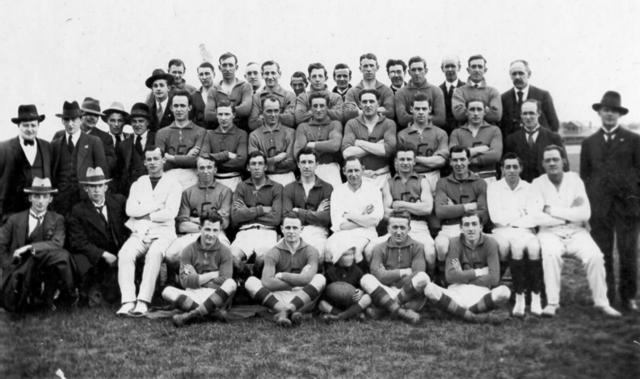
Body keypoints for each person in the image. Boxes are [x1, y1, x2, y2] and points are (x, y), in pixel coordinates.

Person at [529, 145, 621, 317]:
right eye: (548, 160)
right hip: (549, 232)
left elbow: (585, 213)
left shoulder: (575, 180)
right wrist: (568, 215)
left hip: (577, 231)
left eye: (555, 159)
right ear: (543, 164)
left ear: (563, 161)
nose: (552, 163)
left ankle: (602, 302)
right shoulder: (537, 183)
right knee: (550, 255)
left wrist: (550, 209)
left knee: (595, 256)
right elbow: (535, 217)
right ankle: (552, 302)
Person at [581, 91, 640, 311]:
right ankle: (607, 297)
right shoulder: (589, 143)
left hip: (627, 208)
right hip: (600, 209)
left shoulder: (634, 140)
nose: (610, 115)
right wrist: (589, 208)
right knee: (602, 253)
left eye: (614, 111)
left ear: (619, 114)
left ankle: (628, 297)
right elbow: (585, 178)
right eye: (606, 110)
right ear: (599, 112)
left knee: (628, 253)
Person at [116, 146, 181, 316]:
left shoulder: (173, 184)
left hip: (164, 233)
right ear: (145, 162)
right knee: (125, 253)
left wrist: (146, 214)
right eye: (149, 159)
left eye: (156, 159)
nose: (152, 163)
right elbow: (130, 210)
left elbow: (170, 213)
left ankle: (143, 300)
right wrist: (156, 207)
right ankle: (128, 300)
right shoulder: (139, 183)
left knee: (154, 255)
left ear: (163, 161)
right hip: (140, 231)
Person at [0, 178, 77, 311]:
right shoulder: (14, 219)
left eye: (45, 197)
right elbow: (1, 243)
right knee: (15, 306)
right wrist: (8, 264)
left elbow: (57, 243)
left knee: (63, 256)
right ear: (30, 198)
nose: (41, 201)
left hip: (45, 266)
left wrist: (30, 247)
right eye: (37, 196)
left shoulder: (57, 219)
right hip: (19, 266)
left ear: (50, 199)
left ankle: (66, 296)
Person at [424, 212, 511, 322]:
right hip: (456, 291)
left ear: (481, 227)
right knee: (429, 288)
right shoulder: (454, 242)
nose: (470, 228)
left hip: (480, 293)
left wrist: (462, 276)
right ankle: (474, 316)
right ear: (461, 228)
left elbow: (494, 278)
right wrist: (479, 272)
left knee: (504, 291)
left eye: (474, 224)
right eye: (466, 225)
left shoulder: (490, 243)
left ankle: (458, 312)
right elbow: (450, 277)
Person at [244, 214, 326, 326]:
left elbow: (306, 279)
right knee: (250, 281)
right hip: (278, 297)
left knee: (320, 278)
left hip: (302, 296)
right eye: (287, 228)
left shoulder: (311, 251)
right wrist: (298, 280)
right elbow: (267, 282)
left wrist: (282, 275)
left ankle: (284, 313)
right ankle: (289, 311)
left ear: (301, 229)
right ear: (282, 229)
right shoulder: (273, 252)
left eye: (295, 228)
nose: (291, 231)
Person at [487, 154, 542, 316]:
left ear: (521, 169)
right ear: (502, 169)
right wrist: (520, 214)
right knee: (516, 247)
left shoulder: (529, 187)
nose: (511, 170)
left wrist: (516, 219)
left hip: (524, 230)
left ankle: (536, 297)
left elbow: (533, 217)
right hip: (501, 231)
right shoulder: (494, 187)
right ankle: (519, 298)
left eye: (515, 167)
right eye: (508, 167)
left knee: (534, 247)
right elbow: (496, 217)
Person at [366, 148, 436, 276]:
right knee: (370, 249)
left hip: (419, 226)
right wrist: (415, 207)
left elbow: (427, 208)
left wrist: (401, 204)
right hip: (394, 228)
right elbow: (386, 213)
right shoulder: (389, 183)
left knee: (430, 251)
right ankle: (380, 277)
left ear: (414, 161)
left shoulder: (423, 181)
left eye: (409, 159)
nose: (405, 162)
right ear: (396, 162)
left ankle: (430, 278)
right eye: (402, 159)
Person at [162, 212, 237, 326]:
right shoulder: (188, 250)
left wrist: (197, 278)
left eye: (215, 230)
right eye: (207, 229)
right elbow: (185, 281)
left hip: (214, 294)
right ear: (200, 228)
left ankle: (190, 316)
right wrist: (212, 275)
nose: (211, 234)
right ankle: (211, 313)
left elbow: (224, 280)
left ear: (219, 231)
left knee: (231, 283)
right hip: (193, 294)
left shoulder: (225, 251)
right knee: (167, 292)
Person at [67, 167, 129, 305]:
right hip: (96, 257)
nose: (96, 190)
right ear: (86, 189)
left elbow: (129, 228)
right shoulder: (78, 210)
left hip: (120, 252)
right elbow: (78, 242)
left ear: (106, 187)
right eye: (92, 186)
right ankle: (89, 291)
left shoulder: (118, 202)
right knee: (105, 294)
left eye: (100, 186)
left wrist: (124, 252)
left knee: (115, 293)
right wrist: (104, 254)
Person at [359, 212, 431, 324]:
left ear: (409, 229)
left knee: (423, 277)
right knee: (366, 278)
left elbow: (417, 274)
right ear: (388, 228)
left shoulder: (418, 247)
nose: (398, 232)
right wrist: (403, 272)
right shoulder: (379, 248)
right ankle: (402, 312)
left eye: (402, 227)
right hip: (387, 290)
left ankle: (384, 309)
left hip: (407, 292)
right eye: (394, 227)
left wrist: (387, 275)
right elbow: (377, 275)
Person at [164, 156, 232, 272]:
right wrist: (211, 220)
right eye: (202, 168)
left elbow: (224, 223)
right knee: (171, 255)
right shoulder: (187, 193)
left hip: (217, 233)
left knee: (225, 252)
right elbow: (182, 225)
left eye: (209, 167)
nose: (206, 171)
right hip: (191, 234)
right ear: (197, 171)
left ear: (215, 170)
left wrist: (194, 219)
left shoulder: (225, 191)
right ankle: (183, 280)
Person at [434, 146, 488, 278]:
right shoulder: (442, 183)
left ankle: (478, 278)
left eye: (462, 159)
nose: (459, 164)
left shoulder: (480, 182)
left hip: (472, 226)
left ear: (468, 160)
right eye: (455, 160)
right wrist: (469, 206)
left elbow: (484, 214)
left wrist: (454, 208)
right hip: (449, 227)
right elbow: (440, 212)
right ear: (450, 162)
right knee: (441, 245)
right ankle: (444, 278)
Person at [51, 101, 108, 216]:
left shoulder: (94, 142)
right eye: (67, 120)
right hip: (61, 202)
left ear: (81, 120)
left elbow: (102, 173)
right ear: (62, 121)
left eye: (74, 120)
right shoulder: (55, 144)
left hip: (85, 200)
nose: (70, 124)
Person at [230, 151, 283, 271]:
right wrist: (262, 210)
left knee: (264, 260)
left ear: (265, 166)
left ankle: (256, 282)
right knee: (231, 258)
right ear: (248, 167)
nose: (257, 167)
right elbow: (235, 217)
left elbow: (275, 218)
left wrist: (246, 211)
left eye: (260, 163)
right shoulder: (241, 187)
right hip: (245, 232)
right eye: (253, 164)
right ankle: (243, 280)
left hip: (267, 232)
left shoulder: (276, 187)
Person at [325, 157, 383, 264]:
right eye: (350, 171)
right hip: (342, 233)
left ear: (362, 169)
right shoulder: (337, 192)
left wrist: (350, 216)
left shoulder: (373, 190)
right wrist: (364, 217)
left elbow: (374, 221)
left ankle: (359, 278)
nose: (353, 174)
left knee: (354, 250)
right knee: (328, 248)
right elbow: (340, 225)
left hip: (366, 233)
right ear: (344, 171)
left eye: (356, 170)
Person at [0, 104, 51, 218]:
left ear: (38, 126)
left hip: (40, 214)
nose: (30, 129)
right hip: (11, 215)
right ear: (19, 126)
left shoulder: (47, 147)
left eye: (33, 125)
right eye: (25, 125)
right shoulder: (3, 149)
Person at [283, 148, 333, 258]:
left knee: (316, 256)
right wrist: (315, 213)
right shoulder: (289, 188)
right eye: (303, 162)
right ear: (298, 165)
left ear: (317, 164)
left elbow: (327, 218)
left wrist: (298, 211)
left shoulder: (327, 188)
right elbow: (286, 216)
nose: (306, 166)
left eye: (310, 162)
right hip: (293, 231)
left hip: (318, 231)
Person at [342, 89, 397, 189]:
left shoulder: (389, 123)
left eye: (371, 101)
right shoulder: (352, 123)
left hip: (383, 175)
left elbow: (388, 150)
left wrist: (360, 143)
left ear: (378, 104)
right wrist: (377, 146)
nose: (368, 105)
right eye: (364, 102)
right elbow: (347, 153)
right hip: (360, 177)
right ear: (359, 104)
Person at [396, 93, 449, 193]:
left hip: (434, 177)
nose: (421, 112)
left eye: (424, 109)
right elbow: (401, 164)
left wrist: (414, 159)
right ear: (411, 109)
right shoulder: (402, 135)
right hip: (410, 177)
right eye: (417, 109)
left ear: (430, 109)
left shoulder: (440, 133)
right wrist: (430, 161)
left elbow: (440, 161)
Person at [504, 99, 564, 182]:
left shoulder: (553, 138)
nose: (528, 117)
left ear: (539, 113)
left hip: (547, 187)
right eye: (525, 113)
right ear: (521, 115)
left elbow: (564, 168)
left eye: (531, 113)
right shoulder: (511, 140)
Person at [155, 89, 209, 178]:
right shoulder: (161, 133)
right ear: (171, 108)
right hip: (169, 177)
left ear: (189, 107)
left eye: (182, 106)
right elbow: (159, 163)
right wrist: (187, 158)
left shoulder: (201, 131)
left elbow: (198, 161)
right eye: (176, 106)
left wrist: (171, 158)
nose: (179, 109)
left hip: (193, 177)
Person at [293, 93, 343, 188]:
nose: (318, 109)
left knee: (334, 199)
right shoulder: (303, 126)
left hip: (331, 169)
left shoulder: (335, 124)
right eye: (315, 106)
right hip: (309, 169)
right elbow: (298, 153)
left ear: (327, 107)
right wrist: (325, 147)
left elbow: (335, 145)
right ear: (310, 108)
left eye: (322, 106)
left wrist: (311, 144)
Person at [501, 59, 559, 137]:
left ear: (529, 74)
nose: (517, 77)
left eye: (521, 73)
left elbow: (554, 124)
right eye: (514, 74)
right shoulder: (503, 98)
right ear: (510, 76)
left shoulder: (543, 95)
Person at [449, 99, 503, 181]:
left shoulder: (494, 130)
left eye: (479, 109)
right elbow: (452, 155)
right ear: (466, 112)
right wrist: (477, 150)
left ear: (485, 111)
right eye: (472, 109)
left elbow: (495, 155)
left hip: (489, 177)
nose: (476, 113)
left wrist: (467, 159)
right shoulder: (456, 132)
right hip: (464, 179)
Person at [248, 96, 296, 186]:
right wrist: (277, 159)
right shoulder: (254, 135)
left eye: (276, 111)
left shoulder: (290, 132)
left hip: (287, 179)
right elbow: (256, 164)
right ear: (262, 112)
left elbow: (291, 162)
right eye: (269, 111)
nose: (273, 115)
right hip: (263, 180)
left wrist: (266, 161)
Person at [201, 99, 247, 191]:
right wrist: (226, 155)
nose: (223, 118)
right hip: (213, 180)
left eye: (227, 114)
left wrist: (214, 163)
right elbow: (203, 157)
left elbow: (241, 161)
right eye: (220, 114)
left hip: (234, 180)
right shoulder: (209, 134)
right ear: (216, 115)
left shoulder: (241, 134)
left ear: (233, 115)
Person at [204, 52, 254, 131]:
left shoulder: (245, 86)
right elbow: (208, 115)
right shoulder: (213, 90)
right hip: (220, 133)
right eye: (224, 65)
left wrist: (221, 112)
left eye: (231, 65)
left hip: (241, 132)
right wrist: (235, 111)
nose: (227, 69)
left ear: (236, 67)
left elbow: (245, 109)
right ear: (219, 67)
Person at [115, 103, 156, 196]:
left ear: (148, 122)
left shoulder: (156, 139)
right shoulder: (123, 145)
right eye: (134, 121)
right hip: (130, 192)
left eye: (141, 121)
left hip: (152, 190)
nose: (137, 125)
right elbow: (119, 173)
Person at [318, 248, 370, 322]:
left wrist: (361, 292)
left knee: (367, 298)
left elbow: (363, 286)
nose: (350, 258)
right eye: (346, 255)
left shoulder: (357, 270)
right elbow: (325, 291)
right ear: (338, 256)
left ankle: (339, 316)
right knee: (322, 304)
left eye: (352, 254)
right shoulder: (331, 271)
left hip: (351, 303)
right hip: (335, 302)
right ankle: (351, 316)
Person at [394, 56, 446, 129]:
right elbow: (402, 120)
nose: (417, 73)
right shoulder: (400, 93)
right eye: (413, 70)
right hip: (408, 134)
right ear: (409, 72)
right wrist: (427, 117)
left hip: (432, 133)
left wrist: (415, 117)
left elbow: (440, 119)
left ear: (426, 71)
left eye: (420, 69)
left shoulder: (436, 91)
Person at [452, 55, 502, 124]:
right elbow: (459, 115)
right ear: (468, 70)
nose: (477, 70)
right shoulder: (459, 92)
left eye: (480, 67)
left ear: (485, 70)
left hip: (487, 132)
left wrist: (468, 109)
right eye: (473, 66)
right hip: (465, 131)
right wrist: (486, 109)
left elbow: (496, 116)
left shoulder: (493, 92)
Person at [344, 53, 395, 121]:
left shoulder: (386, 90)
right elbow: (348, 114)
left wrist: (359, 111)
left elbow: (390, 112)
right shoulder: (352, 92)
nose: (368, 69)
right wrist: (379, 109)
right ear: (360, 68)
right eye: (365, 66)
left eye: (371, 65)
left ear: (377, 67)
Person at [248, 60, 296, 131]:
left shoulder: (289, 96)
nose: (270, 77)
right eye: (267, 73)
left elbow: (290, 121)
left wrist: (263, 116)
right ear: (262, 75)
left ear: (279, 74)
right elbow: (252, 124)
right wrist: (281, 116)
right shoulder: (256, 97)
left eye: (273, 73)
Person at [79, 97, 116, 174]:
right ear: (80, 114)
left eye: (96, 116)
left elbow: (110, 164)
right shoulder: (68, 134)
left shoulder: (105, 138)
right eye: (89, 114)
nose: (92, 118)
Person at [439, 55, 465, 135]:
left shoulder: (466, 89)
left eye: (453, 66)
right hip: (443, 133)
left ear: (459, 68)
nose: (450, 69)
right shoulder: (437, 91)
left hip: (463, 132)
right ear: (442, 69)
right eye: (447, 66)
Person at [191, 62, 216, 129]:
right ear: (198, 76)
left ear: (214, 74)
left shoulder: (221, 92)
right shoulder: (193, 96)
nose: (204, 77)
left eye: (207, 74)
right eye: (201, 74)